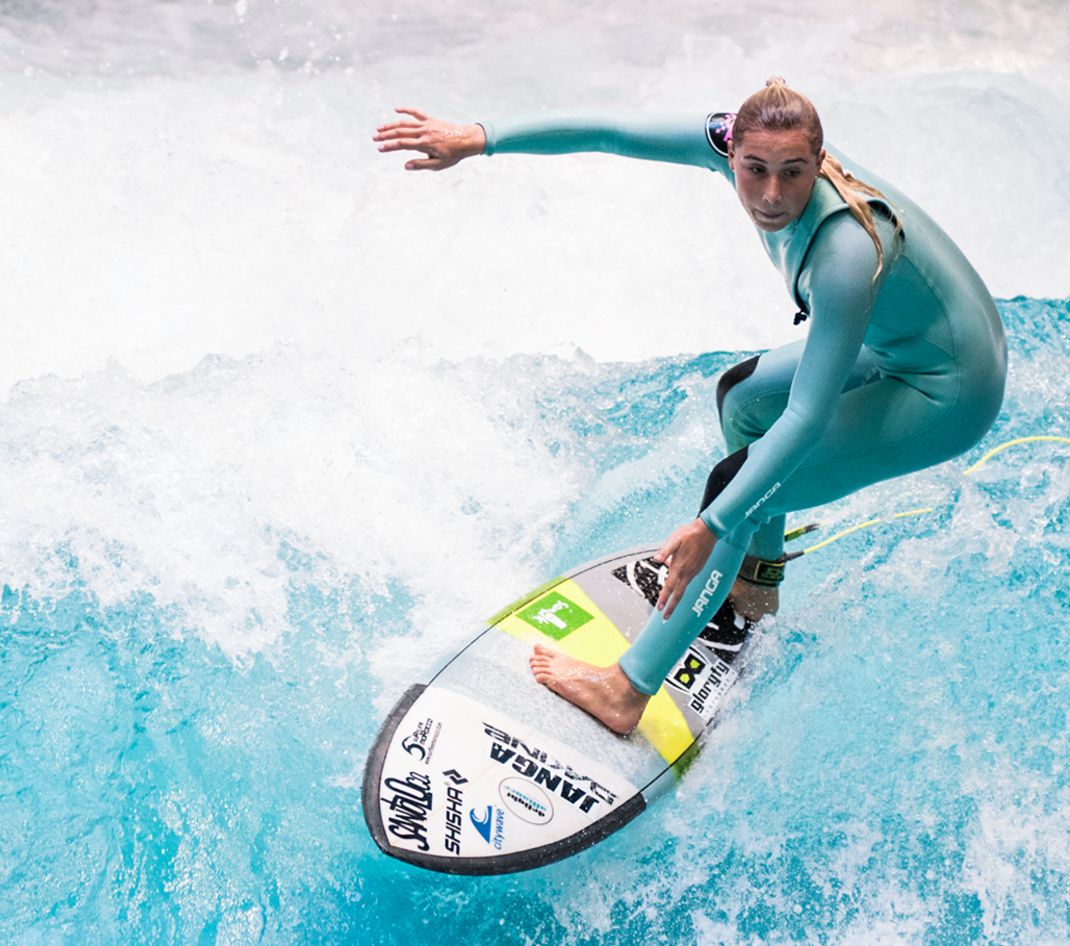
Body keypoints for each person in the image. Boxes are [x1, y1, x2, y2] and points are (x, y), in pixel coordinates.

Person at [374, 79, 1007, 735]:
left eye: (792, 174)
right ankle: (753, 591)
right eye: (754, 170)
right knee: (740, 400)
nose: (770, 195)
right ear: (729, 151)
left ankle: (628, 689)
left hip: (949, 388)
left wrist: (712, 524)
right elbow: (611, 130)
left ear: (818, 163)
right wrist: (480, 138)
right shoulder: (727, 138)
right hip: (907, 341)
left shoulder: (844, 255)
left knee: (738, 488)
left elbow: (807, 418)